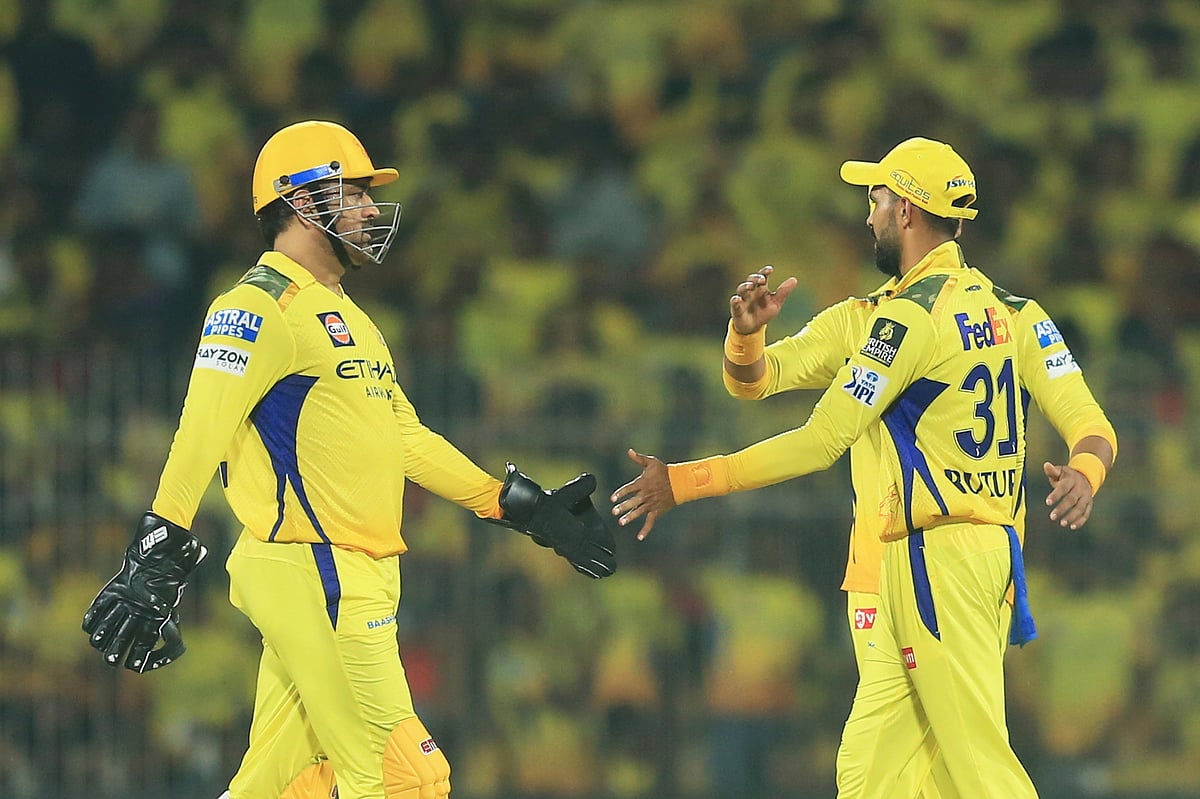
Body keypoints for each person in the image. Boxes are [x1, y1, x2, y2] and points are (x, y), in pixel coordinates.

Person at [81, 119, 617, 799]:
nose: (370, 210)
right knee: (405, 778)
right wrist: (156, 547)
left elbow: (406, 437)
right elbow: (201, 429)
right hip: (314, 565)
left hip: (346, 571)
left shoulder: (348, 316)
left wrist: (519, 507)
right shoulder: (254, 306)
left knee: (287, 785)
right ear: (302, 203)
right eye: (355, 193)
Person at [611, 137, 1116, 798]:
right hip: (922, 567)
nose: (867, 214)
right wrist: (747, 336)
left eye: (876, 198)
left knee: (974, 764)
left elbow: (821, 439)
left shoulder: (900, 321)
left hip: (934, 561)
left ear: (906, 211)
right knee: (877, 774)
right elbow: (756, 379)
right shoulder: (1013, 314)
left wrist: (684, 480)